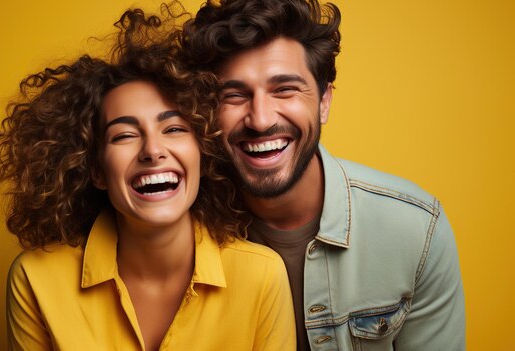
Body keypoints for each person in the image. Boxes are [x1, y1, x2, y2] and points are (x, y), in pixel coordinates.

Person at [0, 8, 295, 351]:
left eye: (174, 129)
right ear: (96, 170)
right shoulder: (36, 279)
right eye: (124, 135)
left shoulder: (262, 276)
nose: (153, 150)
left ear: (203, 152)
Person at [180, 0, 466, 349]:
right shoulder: (176, 232)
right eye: (234, 95)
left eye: (284, 89)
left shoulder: (417, 229)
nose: (260, 119)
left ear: (324, 101)